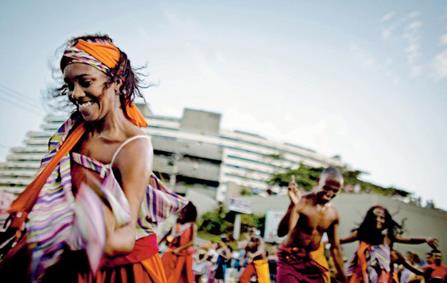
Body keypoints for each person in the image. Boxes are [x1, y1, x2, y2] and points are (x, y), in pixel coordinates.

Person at [4, 34, 188, 282]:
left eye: (85, 82)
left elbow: (124, 238)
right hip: (68, 257)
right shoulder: (73, 132)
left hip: (120, 271)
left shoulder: (133, 146)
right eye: (70, 85)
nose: (76, 94)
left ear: (117, 82)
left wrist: (92, 231)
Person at [276, 167, 346, 283]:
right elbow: (282, 232)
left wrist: (343, 277)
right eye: (326, 188)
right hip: (290, 260)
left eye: (335, 190)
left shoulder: (333, 214)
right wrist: (294, 205)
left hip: (312, 262)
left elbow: (335, 247)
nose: (329, 193)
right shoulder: (303, 201)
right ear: (319, 181)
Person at [341, 205, 438, 283]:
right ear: (369, 218)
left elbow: (410, 240)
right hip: (362, 277)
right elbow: (340, 241)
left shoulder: (388, 239)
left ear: (386, 221)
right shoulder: (361, 234)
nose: (378, 219)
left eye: (382, 217)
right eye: (375, 216)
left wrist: (426, 239)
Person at [160, 201, 197, 283]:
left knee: (178, 277)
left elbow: (192, 242)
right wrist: (159, 243)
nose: (181, 212)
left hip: (182, 255)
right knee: (163, 271)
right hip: (171, 251)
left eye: (184, 210)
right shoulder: (177, 223)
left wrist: (179, 249)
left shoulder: (192, 226)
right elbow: (168, 234)